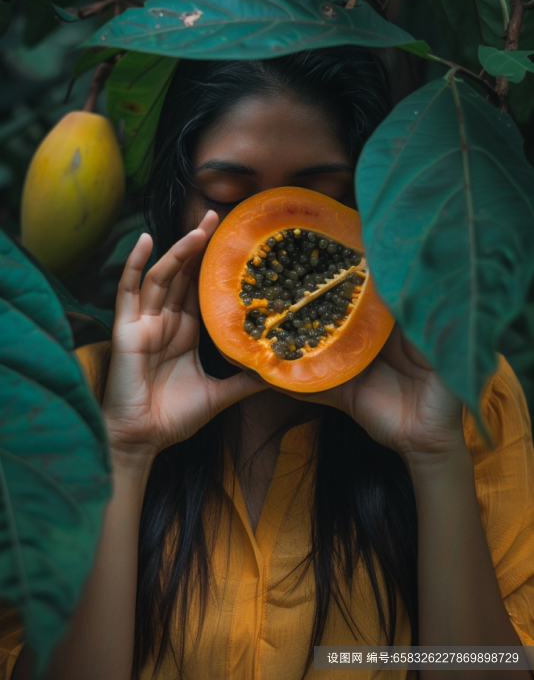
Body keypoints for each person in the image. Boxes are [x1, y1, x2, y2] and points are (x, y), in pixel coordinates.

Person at [2, 47, 534, 680]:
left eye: (318, 195)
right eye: (229, 195)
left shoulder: (468, 397)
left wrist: (435, 454)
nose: (267, 224)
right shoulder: (69, 403)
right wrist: (123, 450)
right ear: (175, 201)